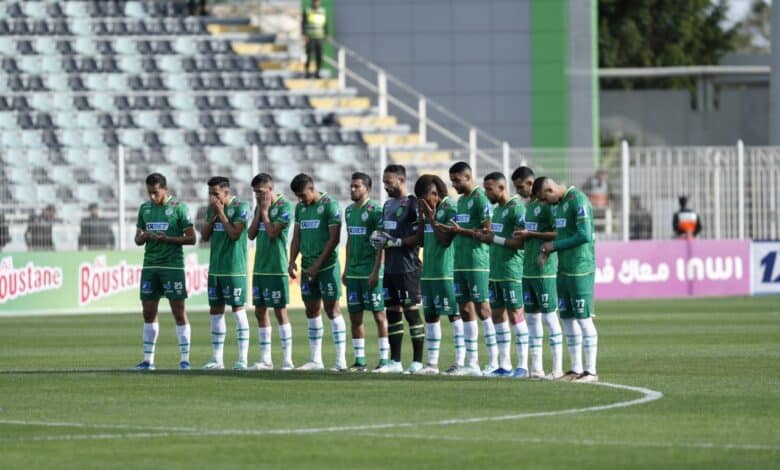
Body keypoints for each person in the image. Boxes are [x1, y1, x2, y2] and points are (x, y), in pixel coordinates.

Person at [537, 177, 599, 383]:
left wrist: (554, 246)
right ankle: (575, 369)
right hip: (563, 268)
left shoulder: (579, 200)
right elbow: (562, 234)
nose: (545, 203)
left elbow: (584, 235)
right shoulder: (560, 205)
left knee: (583, 318)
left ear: (550, 189)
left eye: (544, 198)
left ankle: (590, 371)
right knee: (567, 318)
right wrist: (548, 249)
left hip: (580, 268)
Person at [133, 173, 196, 371]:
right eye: (149, 193)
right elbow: (137, 239)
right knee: (148, 312)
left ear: (165, 190)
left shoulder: (179, 208)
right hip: (150, 266)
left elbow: (192, 238)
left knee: (178, 311)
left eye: (156, 193)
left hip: (172, 266)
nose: (152, 197)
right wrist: (146, 236)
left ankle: (184, 360)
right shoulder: (145, 209)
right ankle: (148, 361)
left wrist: (167, 239)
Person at [440, 162, 496, 376]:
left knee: (483, 309)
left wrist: (460, 230)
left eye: (457, 180)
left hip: (477, 263)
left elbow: (487, 232)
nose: (454, 185)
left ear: (468, 176)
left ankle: (493, 361)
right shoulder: (461, 201)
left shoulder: (481, 199)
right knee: (464, 310)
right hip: (460, 262)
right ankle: (471, 363)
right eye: (452, 181)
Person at [288, 173, 347, 371]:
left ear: (312, 189)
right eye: (298, 196)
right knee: (311, 310)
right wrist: (291, 260)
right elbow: (297, 235)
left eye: (303, 195)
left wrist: (317, 265)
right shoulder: (300, 207)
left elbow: (334, 239)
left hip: (327, 268)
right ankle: (316, 360)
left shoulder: (330, 205)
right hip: (307, 266)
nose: (301, 199)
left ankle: (340, 361)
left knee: (332, 310)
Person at [369, 165, 425, 374]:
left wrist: (396, 243)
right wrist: (376, 269)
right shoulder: (387, 205)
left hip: (408, 267)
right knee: (392, 313)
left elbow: (419, 238)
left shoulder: (412, 204)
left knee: (411, 313)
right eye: (384, 182)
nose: (385, 186)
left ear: (401, 180)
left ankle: (418, 361)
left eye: (388, 182)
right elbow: (383, 238)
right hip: (390, 269)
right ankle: (395, 361)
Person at [474, 172, 529, 377]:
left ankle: (522, 365)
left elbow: (521, 242)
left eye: (489, 188)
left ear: (501, 187)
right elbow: (494, 237)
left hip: (511, 271)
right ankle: (504, 365)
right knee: (497, 315)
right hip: (495, 271)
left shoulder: (517, 209)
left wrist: (492, 239)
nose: (486, 192)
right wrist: (485, 237)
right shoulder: (497, 211)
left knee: (516, 314)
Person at [511, 167, 563, 380]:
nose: (519, 191)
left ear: (530, 183)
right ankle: (537, 368)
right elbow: (526, 238)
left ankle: (558, 368)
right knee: (531, 320)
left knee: (550, 319)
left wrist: (531, 233)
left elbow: (558, 233)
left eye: (521, 186)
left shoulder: (548, 206)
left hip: (545, 271)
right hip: (527, 269)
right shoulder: (528, 207)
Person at [412, 174, 465, 375]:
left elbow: (444, 240)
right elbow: (422, 241)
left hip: (446, 272)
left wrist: (431, 218)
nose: (424, 203)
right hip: (429, 273)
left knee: (454, 315)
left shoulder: (450, 209)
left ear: (435, 193)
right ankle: (432, 364)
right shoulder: (428, 212)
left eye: (425, 198)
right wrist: (421, 217)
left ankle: (459, 362)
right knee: (431, 316)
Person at [200, 177, 251, 370]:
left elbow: (234, 234)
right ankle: (217, 359)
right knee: (215, 312)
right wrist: (214, 216)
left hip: (234, 269)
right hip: (216, 269)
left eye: (216, 194)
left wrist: (221, 213)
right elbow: (204, 236)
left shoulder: (241, 207)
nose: (212, 198)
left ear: (226, 193)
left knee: (238, 311)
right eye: (210, 194)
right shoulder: (212, 210)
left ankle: (242, 359)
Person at [247, 173, 295, 371]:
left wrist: (265, 212)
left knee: (280, 312)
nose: (257, 196)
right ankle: (266, 359)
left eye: (260, 192)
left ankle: (287, 360)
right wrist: (260, 210)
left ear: (270, 188)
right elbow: (250, 235)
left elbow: (274, 233)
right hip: (260, 267)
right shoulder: (260, 207)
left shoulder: (285, 207)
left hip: (277, 267)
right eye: (255, 193)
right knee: (259, 311)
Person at [342, 172, 388, 372]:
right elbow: (350, 241)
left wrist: (376, 271)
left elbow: (381, 244)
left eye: (357, 186)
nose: (353, 189)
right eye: (351, 186)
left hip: (371, 271)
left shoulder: (376, 210)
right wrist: (345, 268)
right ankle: (360, 360)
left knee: (379, 315)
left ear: (367, 189)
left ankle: (385, 359)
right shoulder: (349, 211)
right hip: (353, 272)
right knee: (355, 316)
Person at [302, 0, 327, 79]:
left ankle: (317, 72)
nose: (316, 3)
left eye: (318, 1)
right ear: (312, 2)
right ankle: (307, 72)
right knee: (309, 55)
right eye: (315, 1)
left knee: (319, 56)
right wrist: (305, 35)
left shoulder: (322, 11)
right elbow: (303, 24)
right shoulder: (307, 11)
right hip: (310, 37)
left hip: (319, 37)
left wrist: (326, 34)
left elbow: (325, 24)